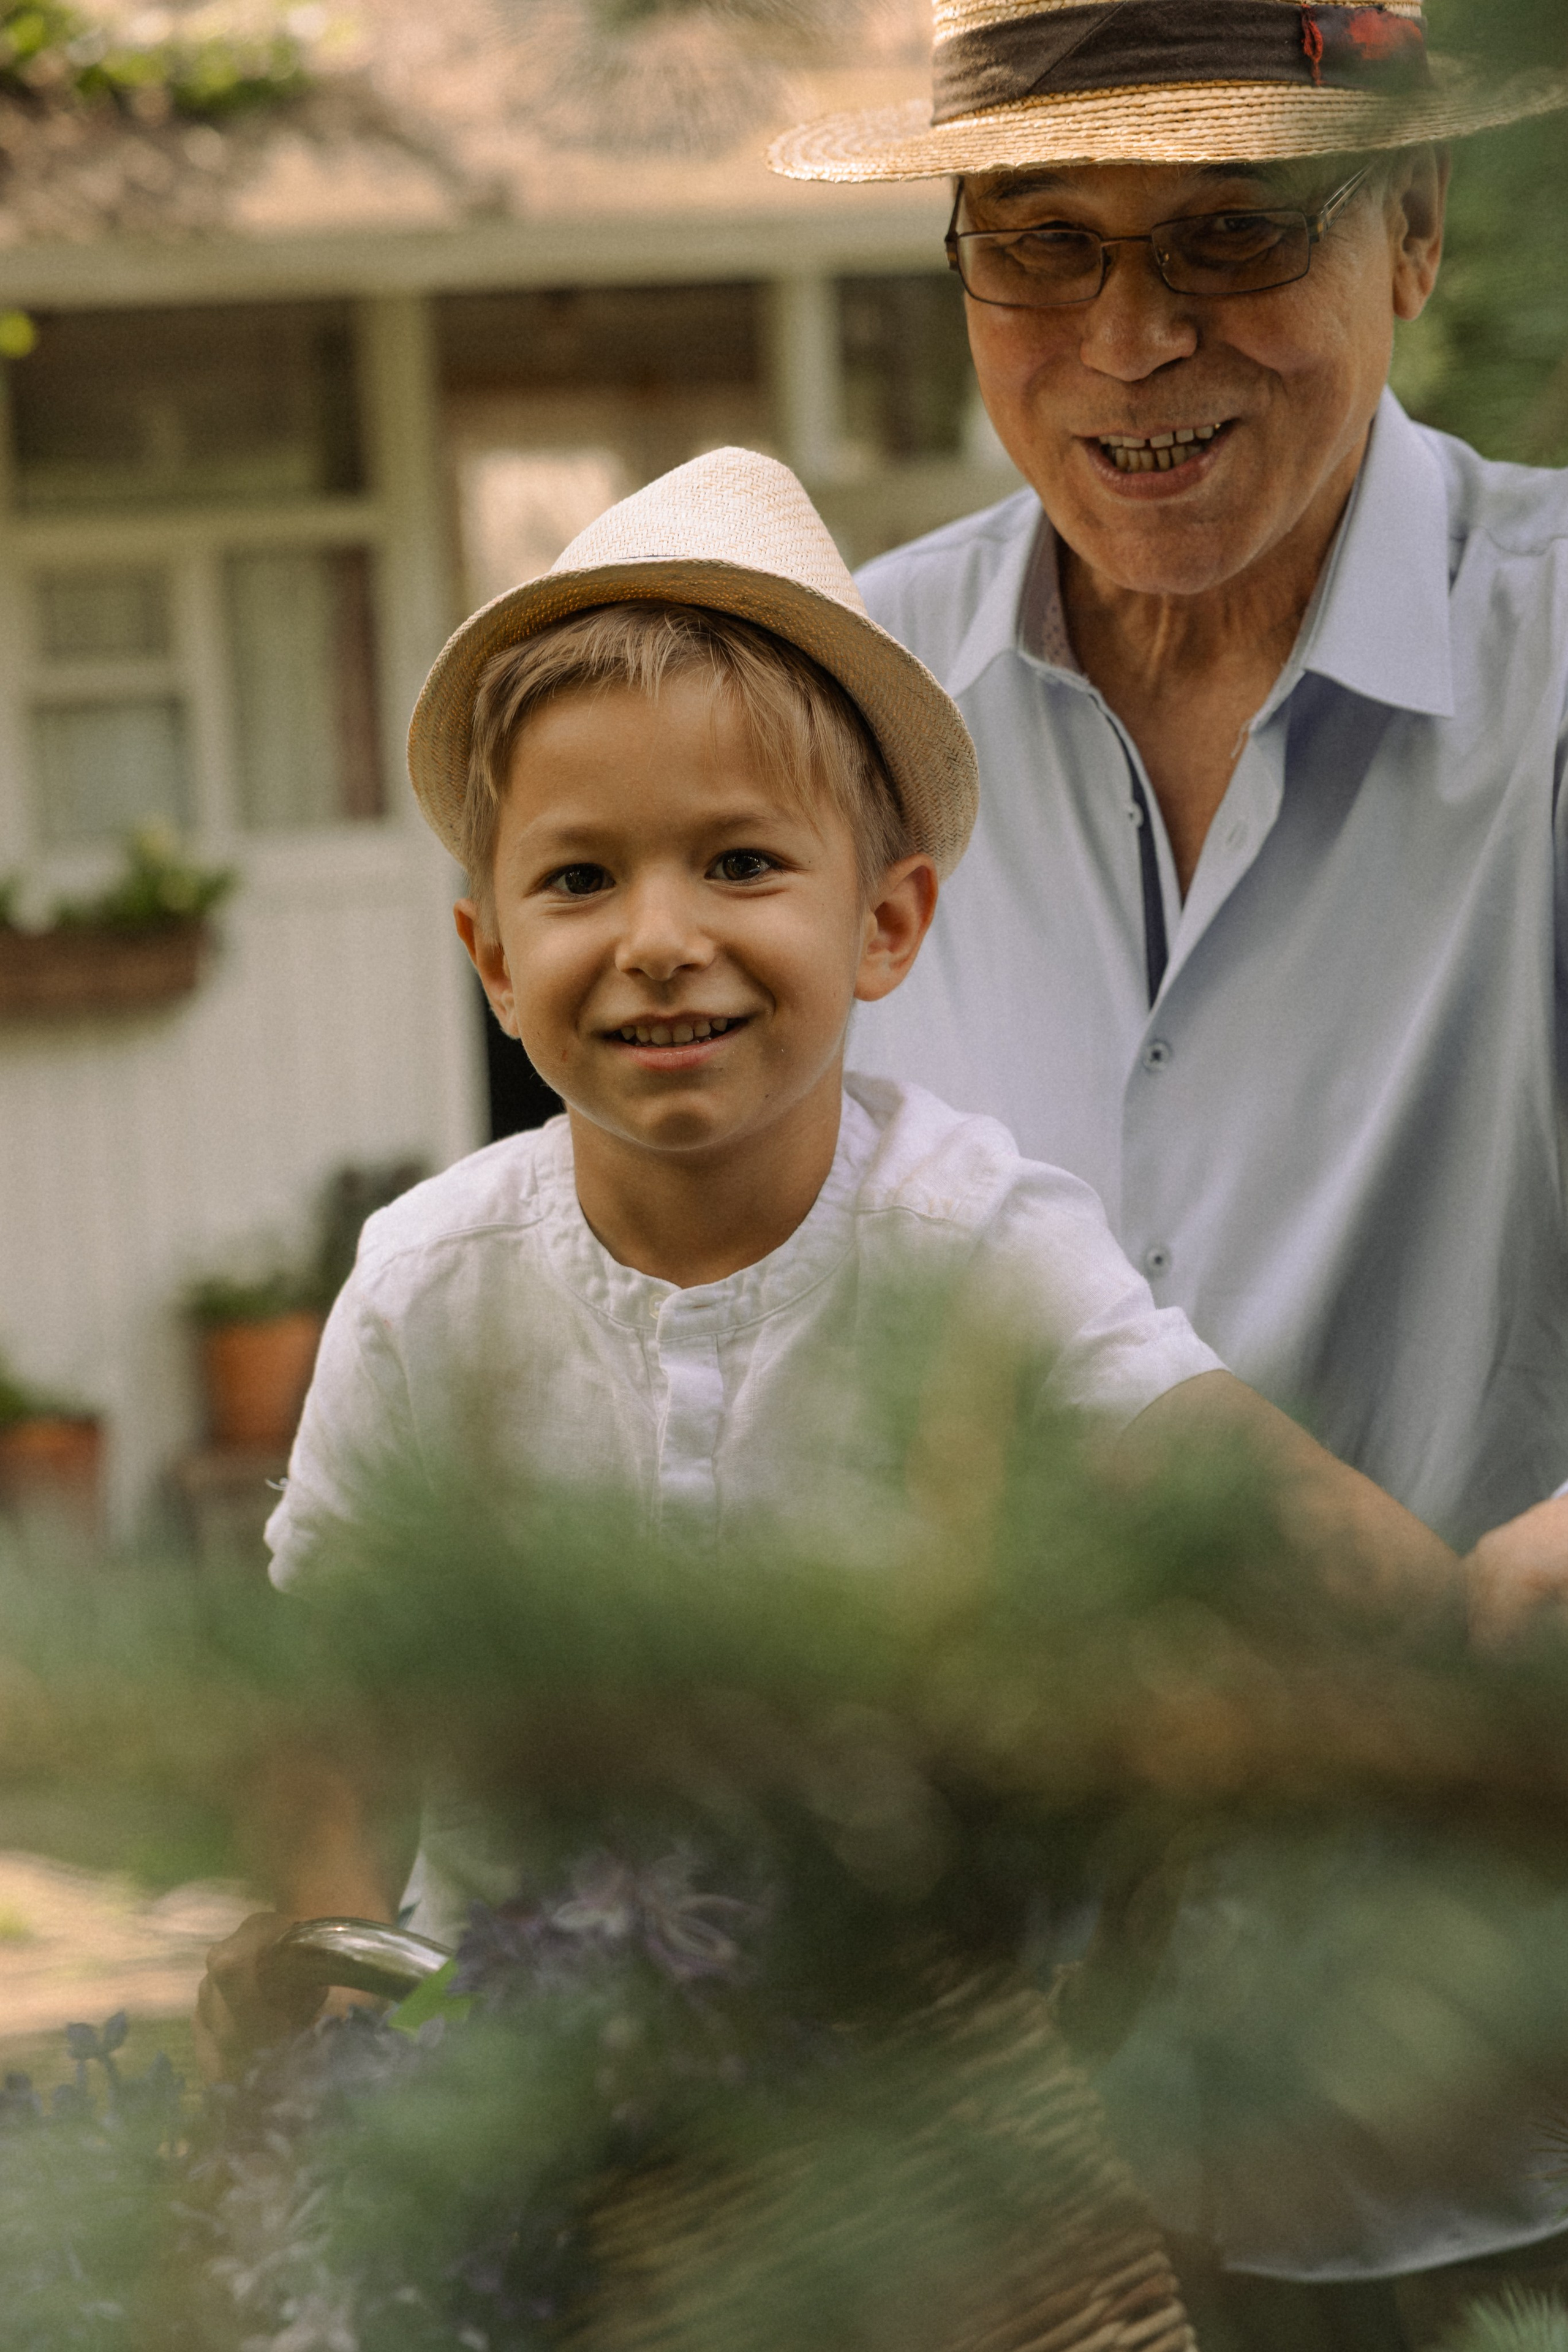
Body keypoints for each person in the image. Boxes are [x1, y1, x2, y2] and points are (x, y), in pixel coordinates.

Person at [197, 447, 1479, 2086]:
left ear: (887, 923)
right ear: (496, 959)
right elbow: (340, 1704)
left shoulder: (976, 1242)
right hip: (506, 2087)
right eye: (582, 878)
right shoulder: (429, 1282)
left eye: (740, 863)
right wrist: (325, 1988)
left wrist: (1460, 1651)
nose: (662, 938)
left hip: (903, 2103)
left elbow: (1247, 1503)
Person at [767, 0, 1568, 2336]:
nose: (1132, 337)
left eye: (1234, 231)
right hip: (992, 2150)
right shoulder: (835, 707)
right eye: (1043, 241)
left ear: (1412, 230)